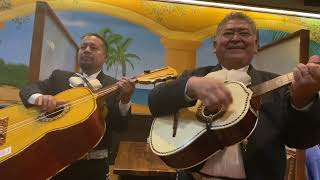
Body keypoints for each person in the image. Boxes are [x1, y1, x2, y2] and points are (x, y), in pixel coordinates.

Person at [148, 12, 320, 180]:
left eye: (244, 33)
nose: (236, 38)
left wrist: (303, 100)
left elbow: (302, 140)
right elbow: (155, 100)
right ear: (215, 45)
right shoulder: (195, 75)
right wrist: (190, 85)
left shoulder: (278, 85)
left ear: (256, 44)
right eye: (228, 33)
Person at [20, 33, 135, 180]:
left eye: (93, 47)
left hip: (94, 169)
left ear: (105, 58)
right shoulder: (59, 77)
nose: (86, 50)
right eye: (83, 47)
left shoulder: (114, 86)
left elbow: (120, 126)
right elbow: (27, 89)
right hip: (53, 164)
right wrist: (40, 98)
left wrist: (125, 99)